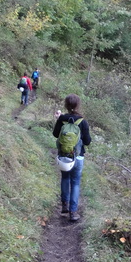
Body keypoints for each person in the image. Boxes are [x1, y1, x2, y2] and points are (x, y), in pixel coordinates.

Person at [53, 94, 91, 222]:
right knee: (75, 183)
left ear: (66, 105)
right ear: (78, 105)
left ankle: (64, 205)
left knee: (65, 178)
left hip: (64, 156)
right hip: (78, 157)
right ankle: (73, 212)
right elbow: (87, 141)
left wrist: (58, 120)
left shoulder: (62, 119)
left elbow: (55, 134)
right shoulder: (82, 121)